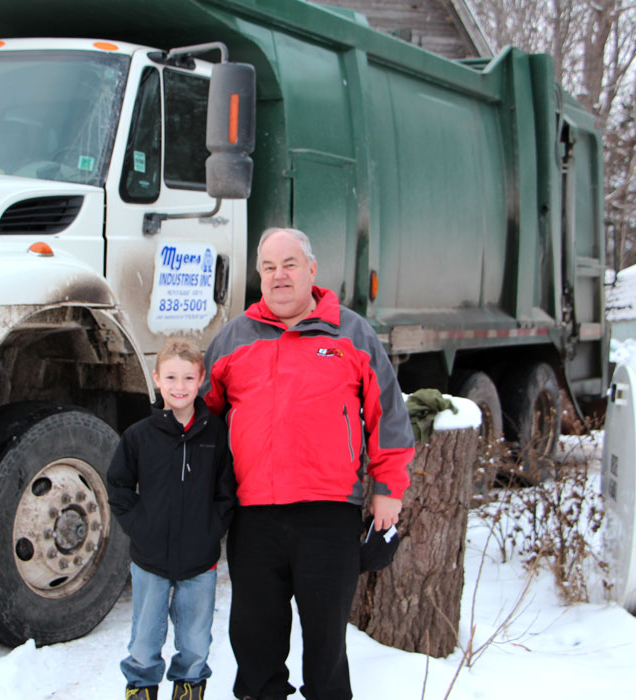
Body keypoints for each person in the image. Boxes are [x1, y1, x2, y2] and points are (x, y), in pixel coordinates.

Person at [203, 227, 416, 700]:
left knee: (325, 649)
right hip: (254, 516)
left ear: (312, 270)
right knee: (255, 644)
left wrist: (388, 488)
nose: (279, 276)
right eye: (269, 267)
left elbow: (388, 413)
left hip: (328, 512)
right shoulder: (233, 340)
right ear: (259, 275)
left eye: (290, 264)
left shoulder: (351, 332)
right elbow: (203, 422)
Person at [107, 336, 236, 700]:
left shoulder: (215, 435)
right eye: (171, 378)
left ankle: (189, 688)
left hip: (200, 559)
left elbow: (226, 491)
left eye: (188, 379)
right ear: (157, 379)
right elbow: (117, 485)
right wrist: (138, 526)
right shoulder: (139, 436)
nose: (179, 387)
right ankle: (141, 688)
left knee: (195, 638)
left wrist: (213, 529)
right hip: (150, 559)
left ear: (201, 380)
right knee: (145, 636)